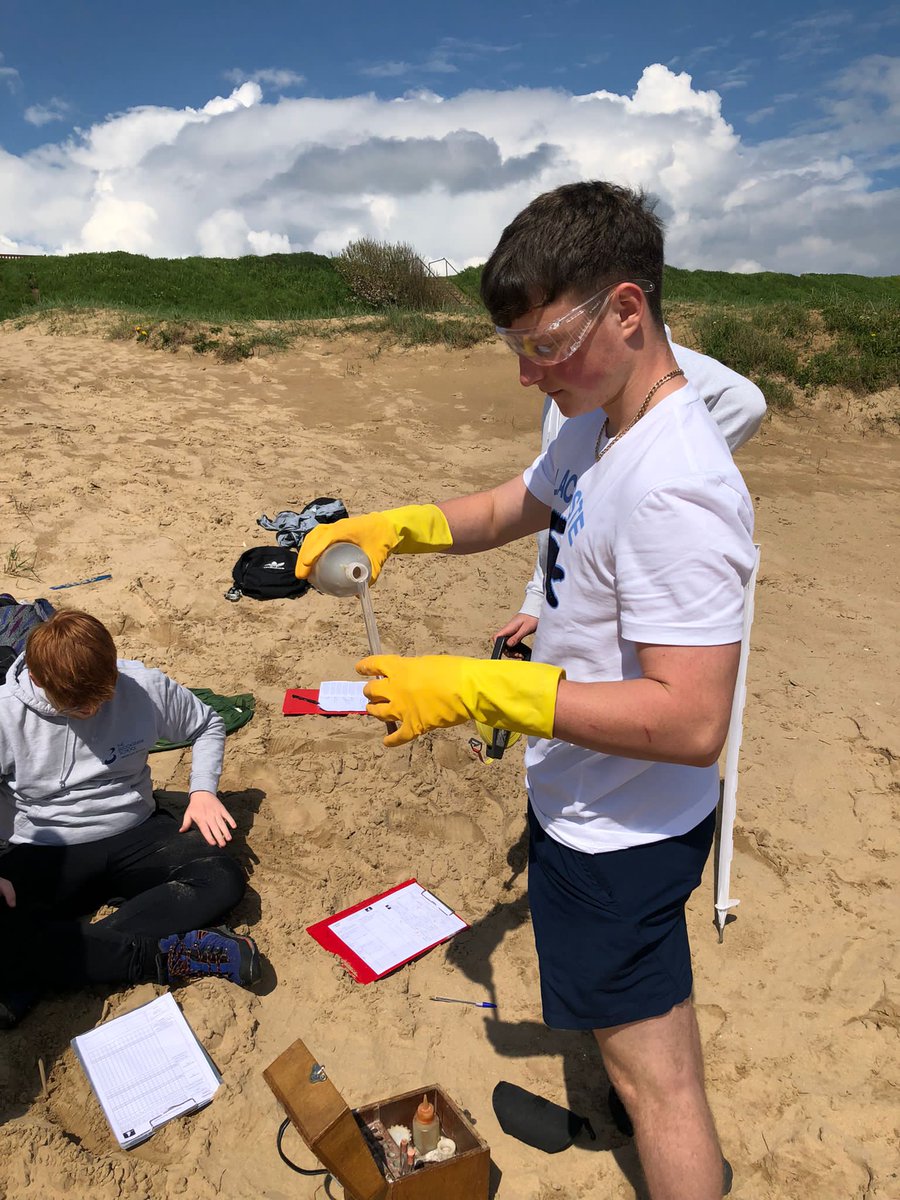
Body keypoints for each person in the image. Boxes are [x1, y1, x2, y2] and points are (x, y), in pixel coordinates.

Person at [295, 180, 756, 1200]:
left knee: (661, 1084)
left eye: (545, 345)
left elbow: (691, 720)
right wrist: (400, 525)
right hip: (581, 796)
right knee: (631, 1046)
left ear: (628, 312)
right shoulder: (596, 419)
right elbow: (521, 501)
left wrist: (478, 691)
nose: (525, 374)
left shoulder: (677, 485)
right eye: (515, 347)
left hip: (623, 832)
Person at [0, 610, 259, 1028]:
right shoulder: (6, 713)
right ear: (36, 677)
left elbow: (207, 723)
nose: (90, 711)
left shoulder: (140, 684)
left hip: (136, 829)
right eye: (75, 705)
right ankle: (162, 958)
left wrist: (202, 791)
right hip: (45, 846)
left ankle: (43, 966)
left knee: (221, 876)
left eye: (100, 699)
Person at [499, 345, 765, 645]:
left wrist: (654, 470)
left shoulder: (680, 497)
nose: (528, 375)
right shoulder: (574, 409)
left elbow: (746, 402)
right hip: (565, 608)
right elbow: (560, 512)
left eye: (548, 344)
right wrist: (537, 597)